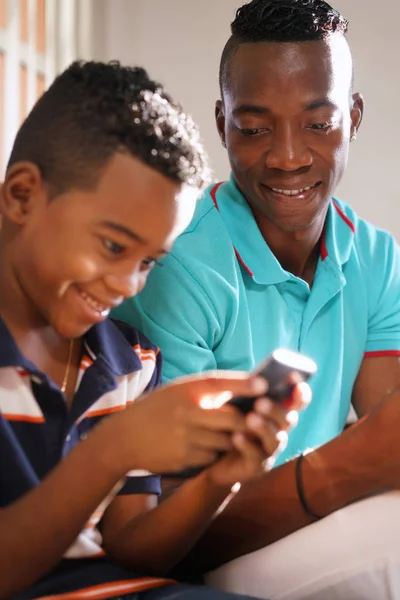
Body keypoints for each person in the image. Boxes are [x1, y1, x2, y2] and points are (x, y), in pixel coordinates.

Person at [112, 0, 400, 598]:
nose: (288, 156)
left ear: (354, 116)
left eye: (318, 124)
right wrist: (335, 471)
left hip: (323, 523)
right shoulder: (179, 268)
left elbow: (386, 440)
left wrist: (356, 464)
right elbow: (169, 537)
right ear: (222, 124)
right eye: (254, 127)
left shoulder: (376, 258)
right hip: (218, 551)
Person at [0, 60, 308, 600]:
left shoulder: (129, 362)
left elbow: (131, 551)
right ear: (23, 195)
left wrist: (219, 480)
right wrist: (110, 453)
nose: (128, 284)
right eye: (115, 247)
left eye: (149, 262)